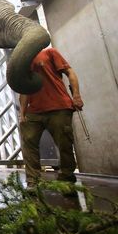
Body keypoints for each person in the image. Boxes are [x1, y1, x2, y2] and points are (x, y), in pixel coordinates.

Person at [19, 47, 84, 187]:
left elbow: (69, 72)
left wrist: (76, 95)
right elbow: (24, 89)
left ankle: (66, 177)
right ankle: (33, 181)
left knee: (64, 144)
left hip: (59, 107)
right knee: (28, 144)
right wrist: (22, 112)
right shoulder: (22, 61)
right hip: (34, 111)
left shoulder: (49, 52)